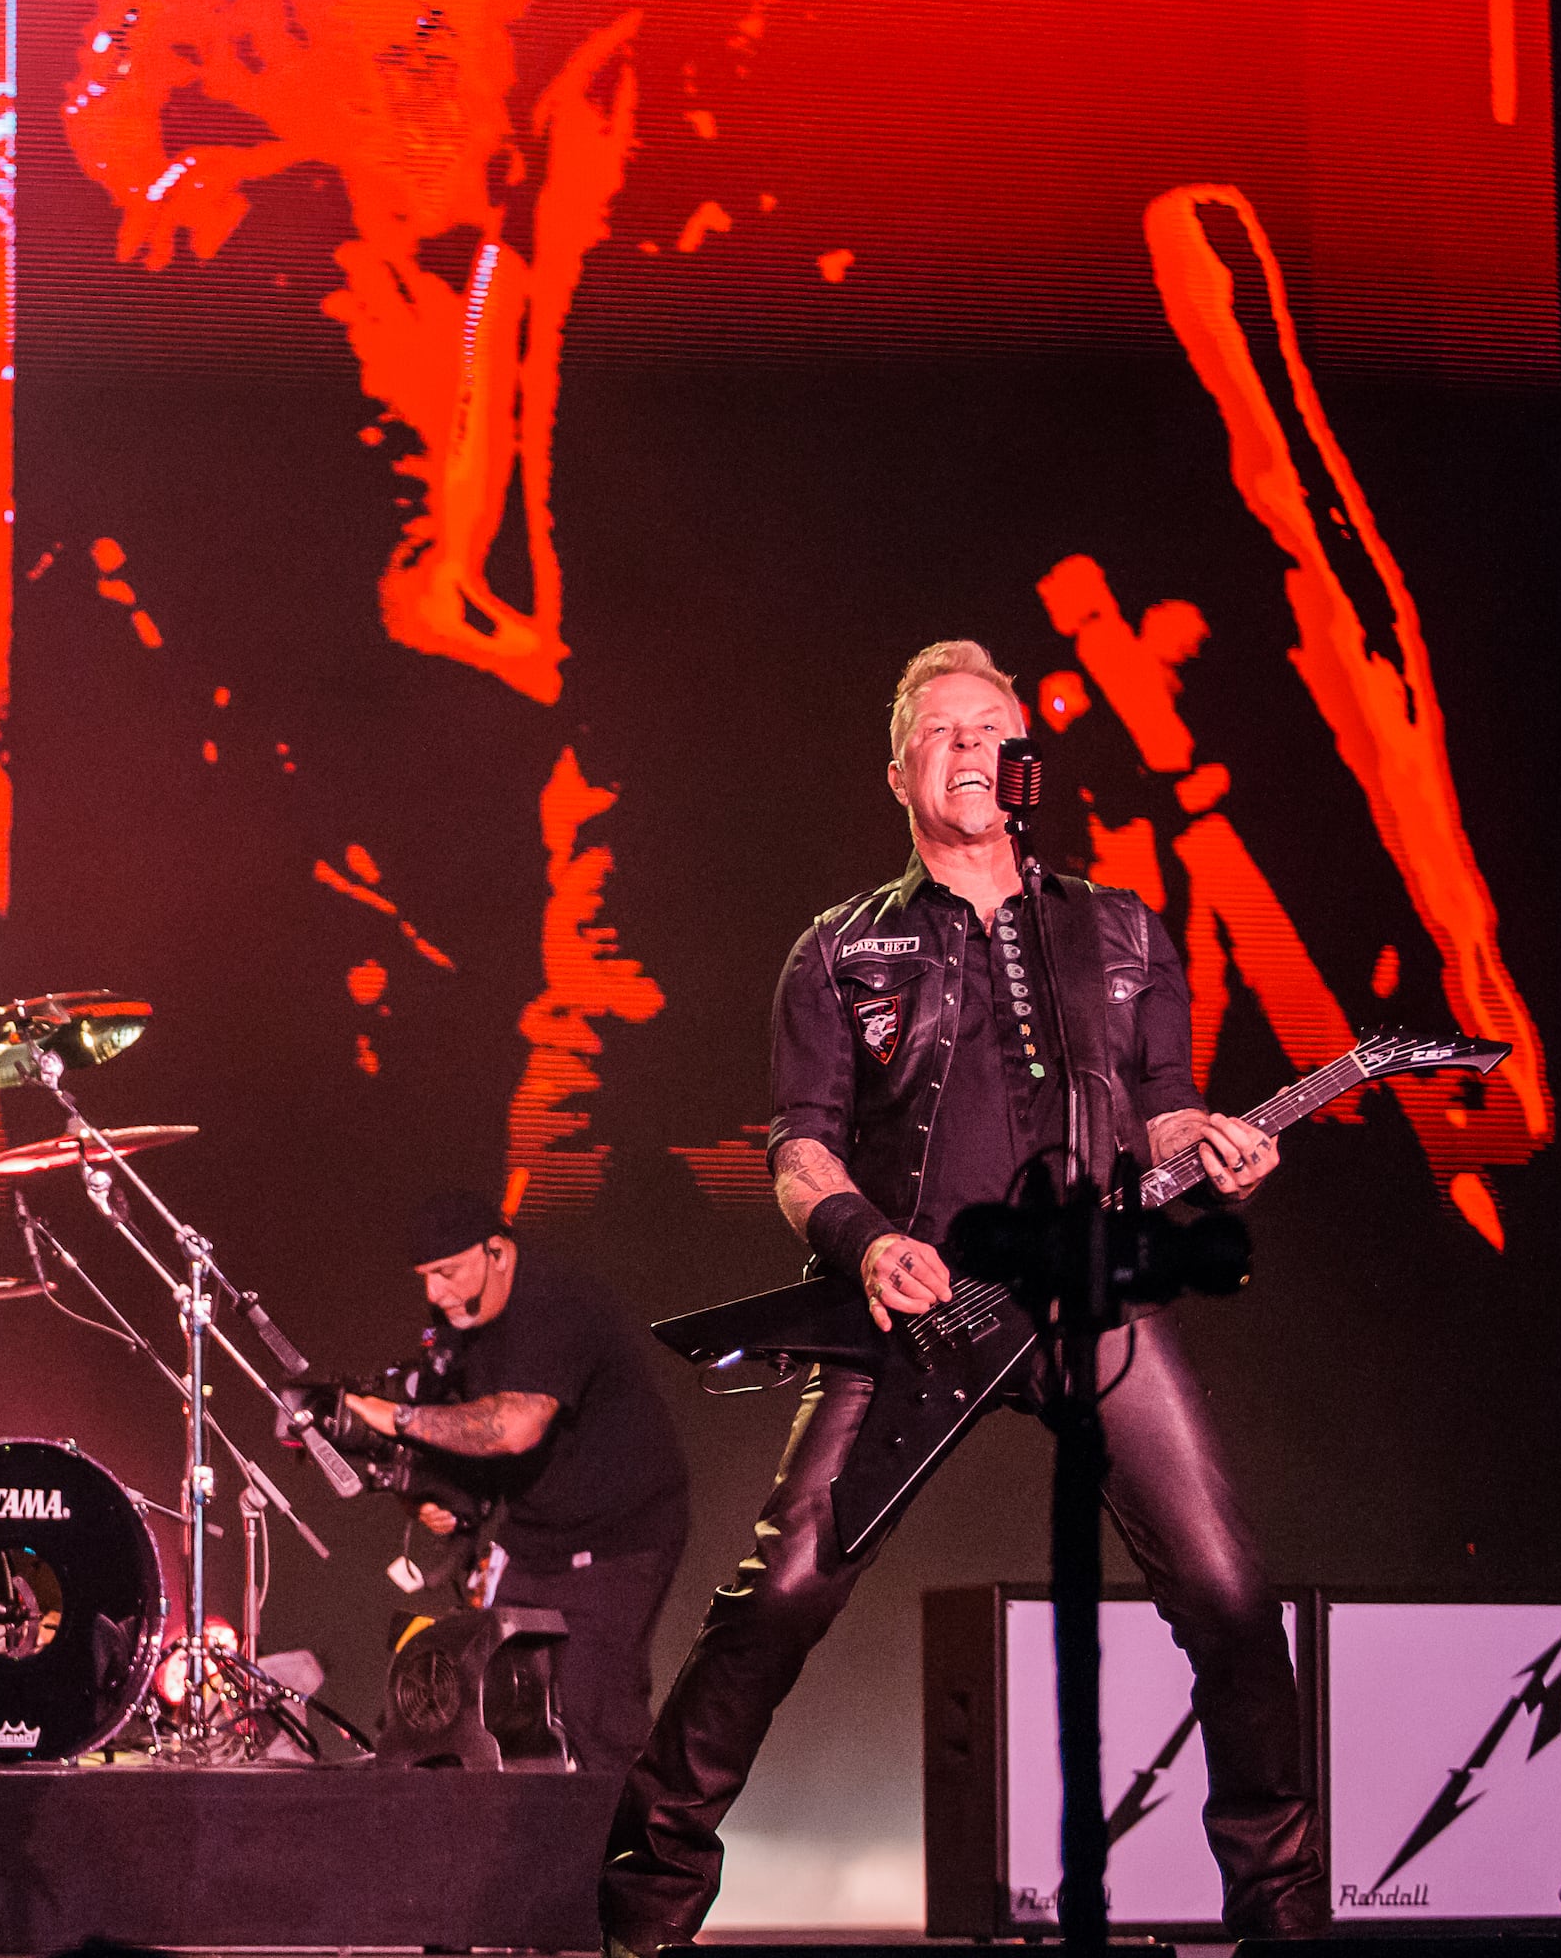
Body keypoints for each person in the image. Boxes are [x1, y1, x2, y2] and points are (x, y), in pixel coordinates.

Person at [600, 641, 1322, 1952]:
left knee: (1227, 1593)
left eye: (996, 729)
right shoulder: (841, 950)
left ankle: (1283, 1916)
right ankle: (642, 1910)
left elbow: (1161, 1119)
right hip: (915, 1323)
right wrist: (866, 1243)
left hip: (1097, 1306)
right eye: (944, 732)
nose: (975, 749)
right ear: (900, 771)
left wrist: (1214, 1148)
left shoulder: (1122, 933)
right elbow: (800, 1146)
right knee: (778, 1598)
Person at [325, 1191, 689, 1774]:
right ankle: (523, 1856)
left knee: (593, 1712)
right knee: (491, 1704)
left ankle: (633, 1859)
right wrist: (437, 1499)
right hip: (535, 1538)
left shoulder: (557, 1300)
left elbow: (516, 1426)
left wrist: (391, 1415)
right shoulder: (457, 1321)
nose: (434, 1293)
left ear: (497, 1251)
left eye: (446, 1272)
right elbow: (455, 1431)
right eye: (425, 1277)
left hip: (620, 1535)